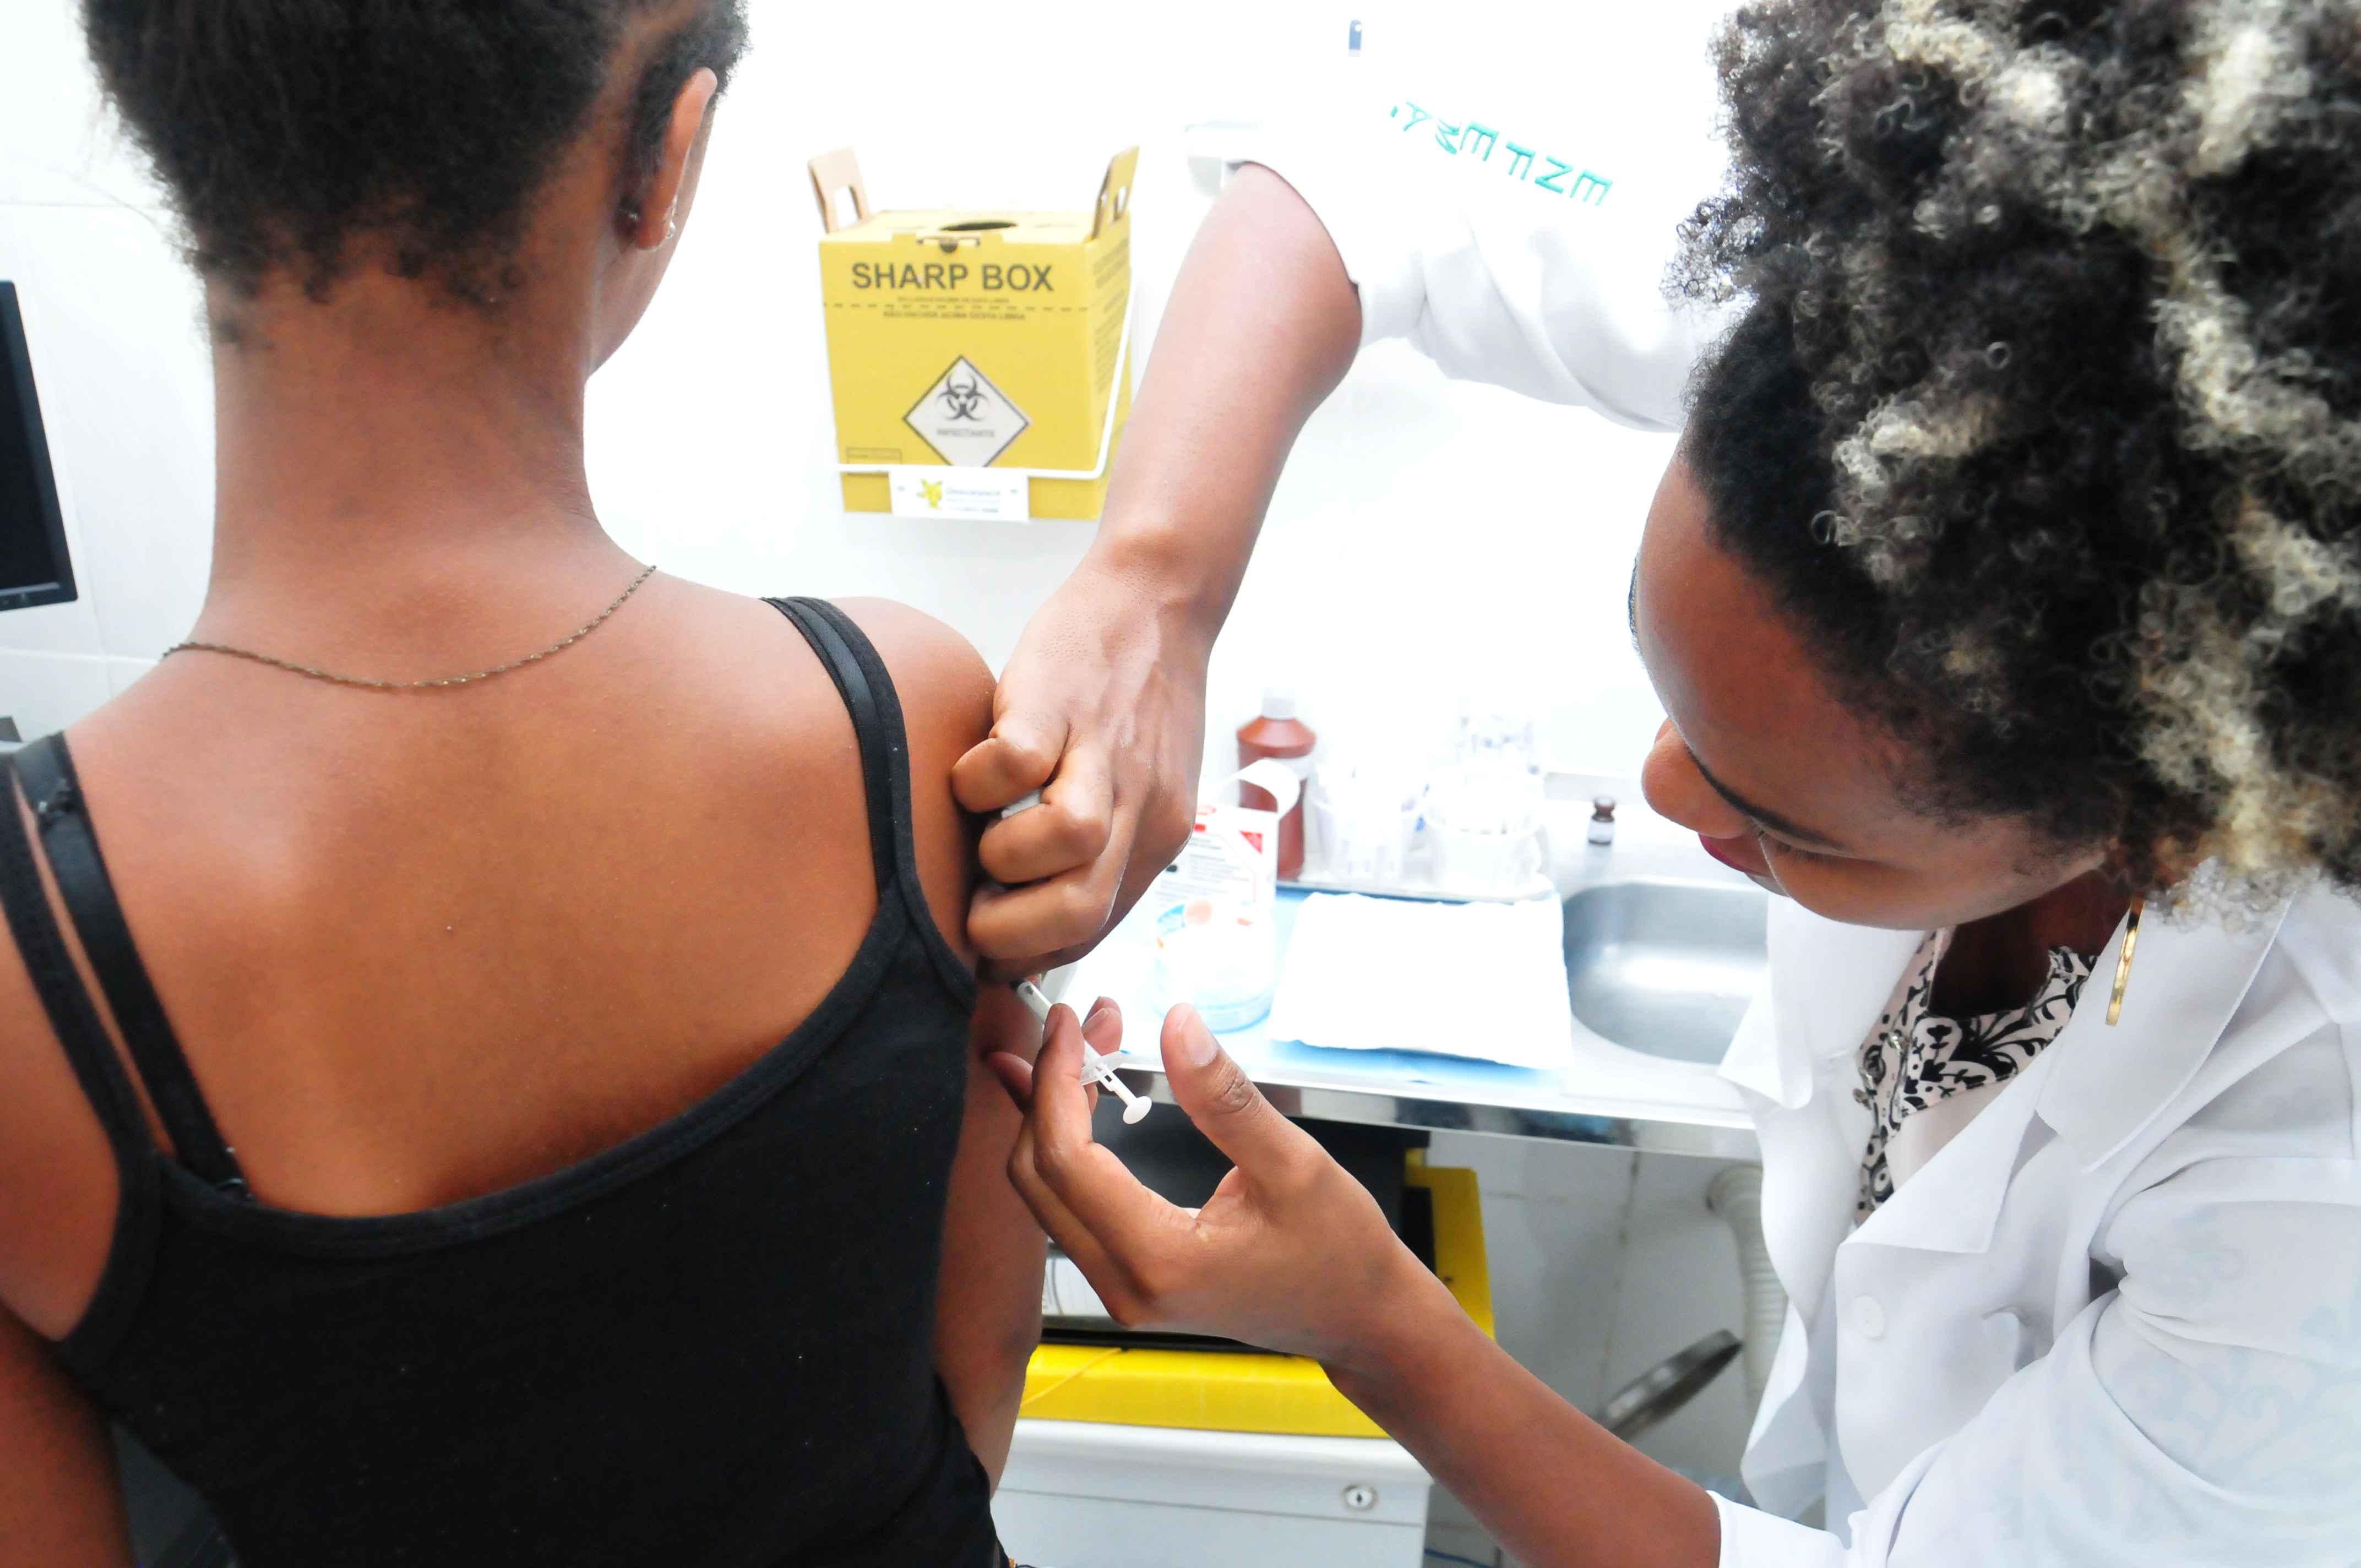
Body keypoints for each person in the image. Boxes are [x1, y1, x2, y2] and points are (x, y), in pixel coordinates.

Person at [974, 2, 2361, 1564]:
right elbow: (1363, 165)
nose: (1660, 788)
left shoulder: (2311, 1184)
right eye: (1662, 680)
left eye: (1781, 827)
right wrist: (1154, 591)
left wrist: (1374, 1323)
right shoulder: (1924, 389)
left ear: (2163, 828)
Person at [0, 4, 1074, 1564]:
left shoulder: (23, 979)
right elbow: (978, 1364)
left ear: (179, 150)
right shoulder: (904, 724)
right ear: (668, 155)